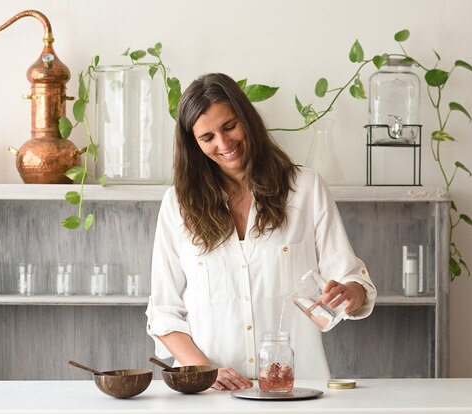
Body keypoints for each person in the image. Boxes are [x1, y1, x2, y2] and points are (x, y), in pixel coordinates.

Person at [146, 73, 376, 391]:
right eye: (207, 137)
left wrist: (350, 293)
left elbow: (352, 280)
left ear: (247, 119)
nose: (224, 144)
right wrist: (204, 369)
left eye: (229, 127)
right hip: (212, 398)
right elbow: (163, 311)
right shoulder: (177, 205)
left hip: (296, 394)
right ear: (193, 145)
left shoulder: (305, 189)